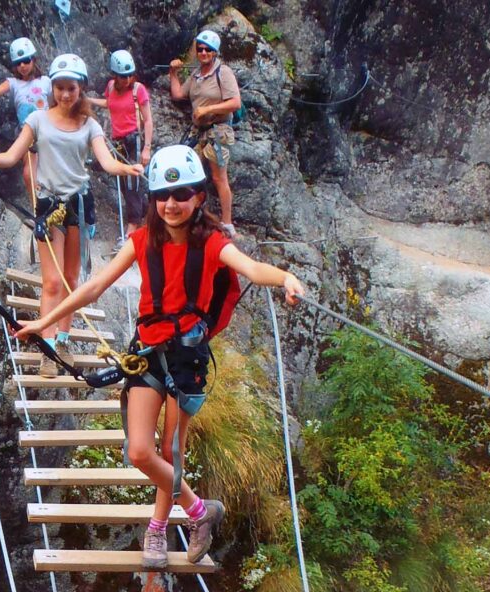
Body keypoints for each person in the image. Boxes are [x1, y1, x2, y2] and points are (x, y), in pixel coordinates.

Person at [15, 145, 306, 567]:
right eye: (162, 196)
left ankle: (156, 530)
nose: (171, 204)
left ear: (199, 198)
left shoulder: (211, 244)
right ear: (152, 199)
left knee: (171, 452)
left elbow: (250, 268)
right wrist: (44, 323)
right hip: (148, 354)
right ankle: (199, 511)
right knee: (138, 450)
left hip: (187, 358)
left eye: (182, 194)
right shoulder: (141, 240)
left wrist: (286, 278)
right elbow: (94, 287)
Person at [0, 54, 143, 377]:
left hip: (78, 206)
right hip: (50, 206)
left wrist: (126, 168)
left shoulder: (89, 125)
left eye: (70, 88)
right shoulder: (38, 121)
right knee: (52, 281)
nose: (64, 95)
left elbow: (105, 160)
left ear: (81, 89)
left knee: (72, 280)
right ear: (52, 89)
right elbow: (12, 155)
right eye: (59, 88)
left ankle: (62, 341)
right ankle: (47, 347)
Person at [168, 30, 242, 238]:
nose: (203, 52)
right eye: (199, 49)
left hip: (218, 132)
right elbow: (179, 94)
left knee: (219, 178)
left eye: (207, 49)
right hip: (199, 132)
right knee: (191, 176)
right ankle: (193, 217)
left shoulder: (223, 72)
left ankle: (227, 224)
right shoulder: (197, 75)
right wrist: (173, 74)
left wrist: (208, 110)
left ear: (215, 52)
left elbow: (235, 102)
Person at [0, 38, 51, 207]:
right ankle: (38, 209)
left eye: (26, 60)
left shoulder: (46, 81)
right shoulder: (13, 83)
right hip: (28, 134)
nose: (23, 66)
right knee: (29, 174)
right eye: (18, 63)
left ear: (34, 60)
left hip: (48, 130)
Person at [87, 50, 154, 246]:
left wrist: (147, 148)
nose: (127, 79)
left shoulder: (138, 90)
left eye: (130, 75)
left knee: (132, 184)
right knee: (125, 185)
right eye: (122, 76)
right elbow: (109, 103)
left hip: (134, 141)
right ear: (114, 75)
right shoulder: (111, 87)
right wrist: (88, 100)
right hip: (118, 142)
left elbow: (148, 120)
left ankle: (132, 230)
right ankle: (149, 219)